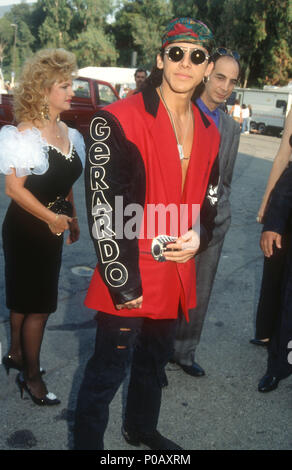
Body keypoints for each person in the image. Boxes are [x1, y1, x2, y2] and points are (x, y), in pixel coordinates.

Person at [74, 17, 220, 450]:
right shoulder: (115, 119)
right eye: (176, 53)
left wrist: (200, 235)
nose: (185, 63)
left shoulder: (211, 129)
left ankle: (140, 428)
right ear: (160, 58)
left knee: (154, 362)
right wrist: (123, 283)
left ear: (207, 67)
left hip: (176, 269)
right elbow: (103, 208)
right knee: (106, 371)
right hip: (130, 271)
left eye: (196, 56)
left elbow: (210, 198)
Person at [0, 49, 85, 406]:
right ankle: (31, 379)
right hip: (27, 230)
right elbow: (13, 189)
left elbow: (65, 181)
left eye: (72, 84)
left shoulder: (69, 131)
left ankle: (17, 354)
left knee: (26, 298)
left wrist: (73, 217)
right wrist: (52, 218)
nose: (72, 91)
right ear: (44, 88)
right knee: (39, 307)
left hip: (53, 227)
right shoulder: (25, 134)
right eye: (64, 85)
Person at [172, 49, 241, 377]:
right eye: (220, 77)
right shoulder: (179, 113)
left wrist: (221, 216)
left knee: (200, 290)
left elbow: (225, 178)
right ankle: (154, 354)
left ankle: (184, 352)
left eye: (232, 81)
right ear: (206, 73)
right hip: (174, 220)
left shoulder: (230, 127)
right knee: (170, 290)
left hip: (212, 222)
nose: (225, 86)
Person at [250, 108, 292, 348]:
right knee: (275, 259)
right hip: (288, 192)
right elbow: (282, 155)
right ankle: (267, 332)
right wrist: (267, 201)